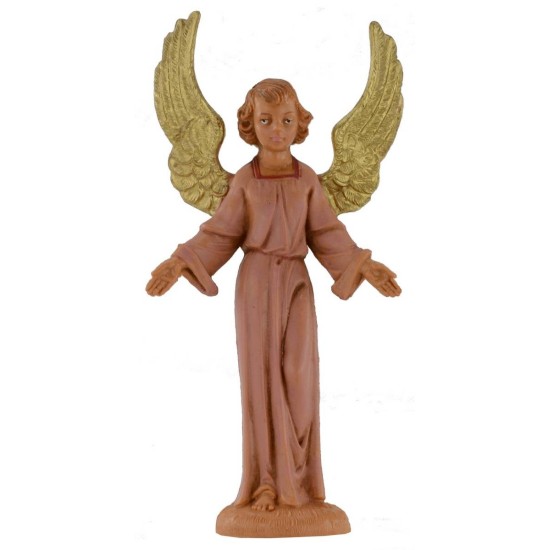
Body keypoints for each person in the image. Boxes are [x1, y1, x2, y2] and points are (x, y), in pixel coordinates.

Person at [146, 78, 401, 512]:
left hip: (296, 282)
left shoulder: (307, 180)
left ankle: (298, 481)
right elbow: (221, 233)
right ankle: (266, 483)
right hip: (257, 283)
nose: (277, 130)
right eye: (265, 120)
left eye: (286, 120)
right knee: (261, 380)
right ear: (250, 125)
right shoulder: (246, 180)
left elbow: (326, 232)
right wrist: (181, 260)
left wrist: (362, 264)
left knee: (300, 375)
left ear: (300, 123)